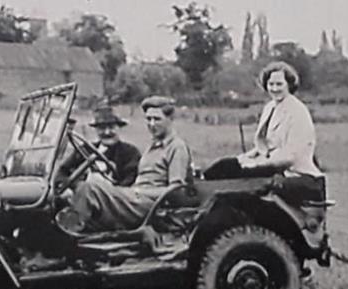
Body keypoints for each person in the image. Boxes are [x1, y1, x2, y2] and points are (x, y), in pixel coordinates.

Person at [57, 96, 192, 233]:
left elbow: (176, 190)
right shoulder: (153, 147)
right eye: (148, 119)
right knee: (84, 190)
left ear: (170, 119)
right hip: (135, 198)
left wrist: (139, 191)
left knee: (89, 188)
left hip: (150, 206)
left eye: (157, 119)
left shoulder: (177, 147)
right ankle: (73, 226)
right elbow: (62, 171)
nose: (151, 124)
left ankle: (68, 231)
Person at [204, 61, 322, 181]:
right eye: (271, 84)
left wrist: (256, 165)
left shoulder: (297, 110)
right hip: (269, 163)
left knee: (238, 177)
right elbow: (265, 146)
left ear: (289, 85)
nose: (274, 89)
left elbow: (290, 157)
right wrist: (244, 158)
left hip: (291, 171)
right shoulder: (270, 107)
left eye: (279, 84)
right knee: (223, 167)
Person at [56, 105, 141, 188]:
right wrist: (71, 186)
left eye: (111, 127)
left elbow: (130, 181)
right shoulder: (86, 149)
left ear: (118, 127)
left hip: (112, 195)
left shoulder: (130, 153)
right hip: (83, 193)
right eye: (102, 128)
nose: (107, 132)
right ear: (96, 129)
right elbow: (62, 172)